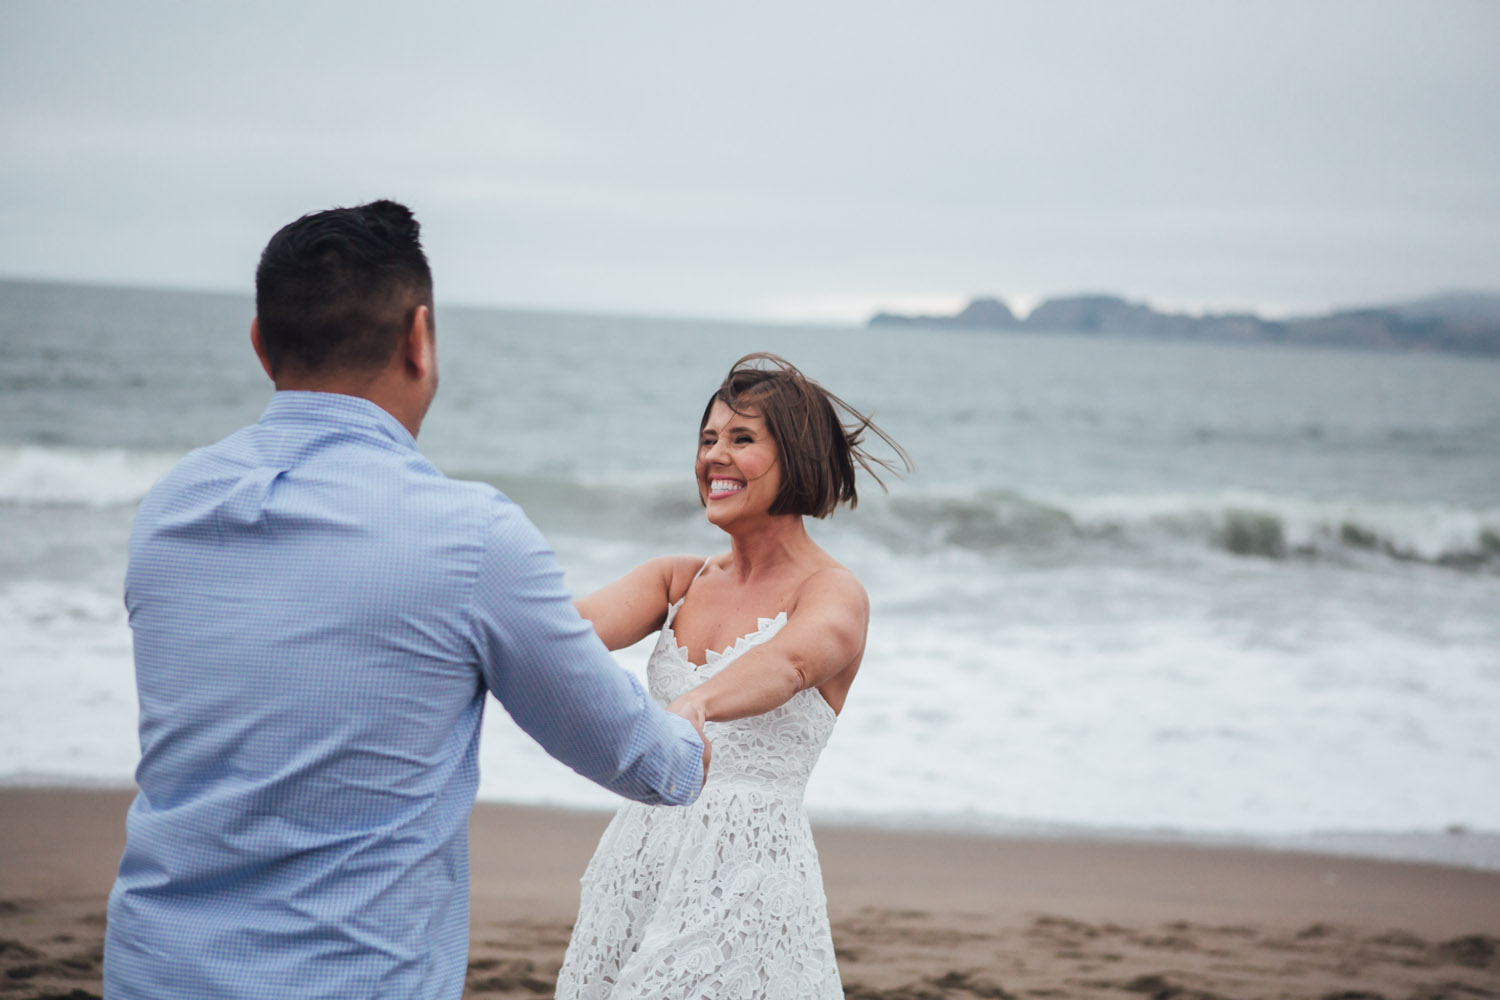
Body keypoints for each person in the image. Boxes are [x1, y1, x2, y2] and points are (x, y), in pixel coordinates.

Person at [102, 200, 709, 1000]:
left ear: (260, 345)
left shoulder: (172, 506)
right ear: (419, 338)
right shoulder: (471, 538)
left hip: (153, 971)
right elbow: (644, 762)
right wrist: (696, 724)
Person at [554, 353, 910, 999]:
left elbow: (790, 662)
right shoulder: (678, 580)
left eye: (741, 439)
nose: (713, 457)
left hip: (749, 878)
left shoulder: (835, 593)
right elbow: (560, 632)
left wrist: (697, 705)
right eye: (707, 439)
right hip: (636, 863)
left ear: (796, 455)